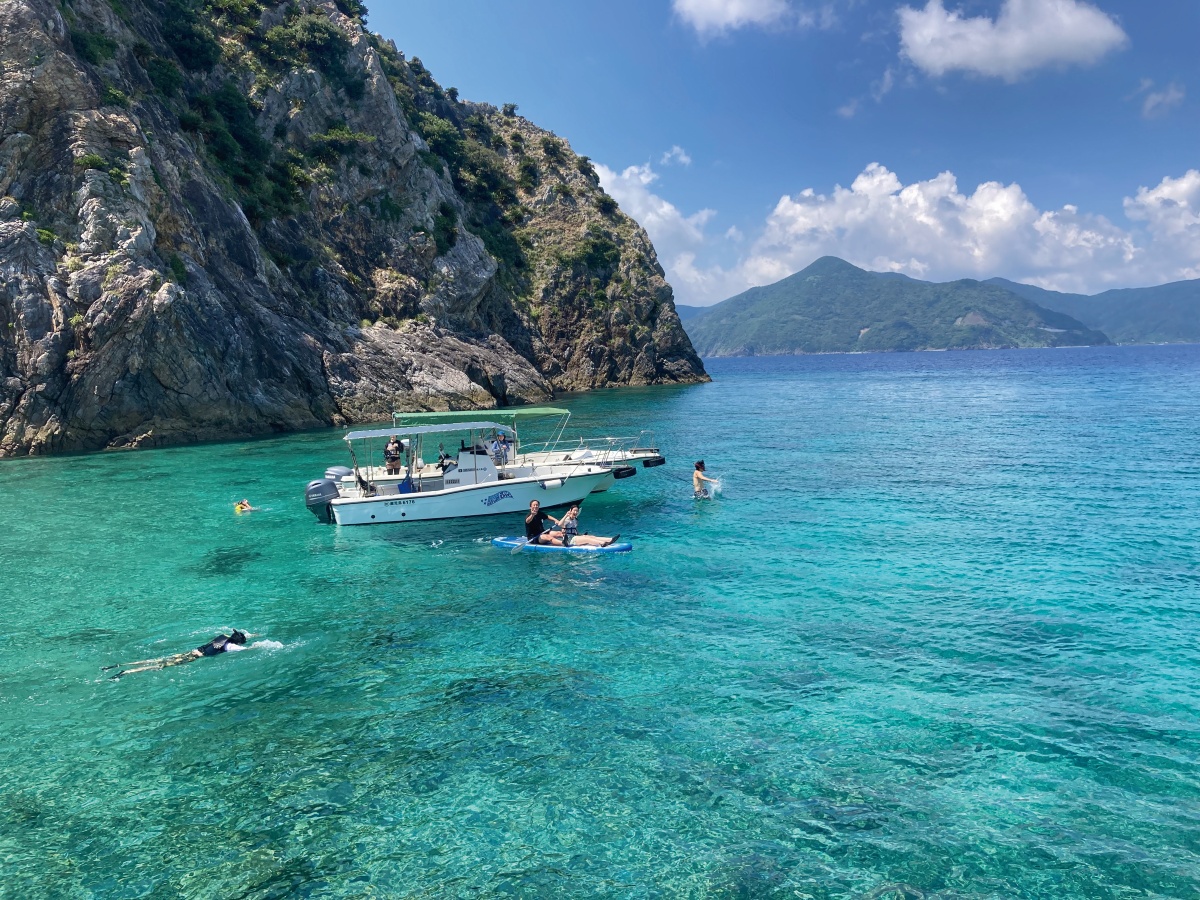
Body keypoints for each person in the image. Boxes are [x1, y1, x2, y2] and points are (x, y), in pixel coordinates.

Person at [107, 630, 250, 679]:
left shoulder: (224, 636)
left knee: (158, 659)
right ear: (238, 642)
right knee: (160, 666)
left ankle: (120, 665)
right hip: (194, 657)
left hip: (192, 651)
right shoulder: (230, 646)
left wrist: (251, 635)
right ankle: (125, 672)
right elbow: (247, 649)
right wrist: (257, 645)